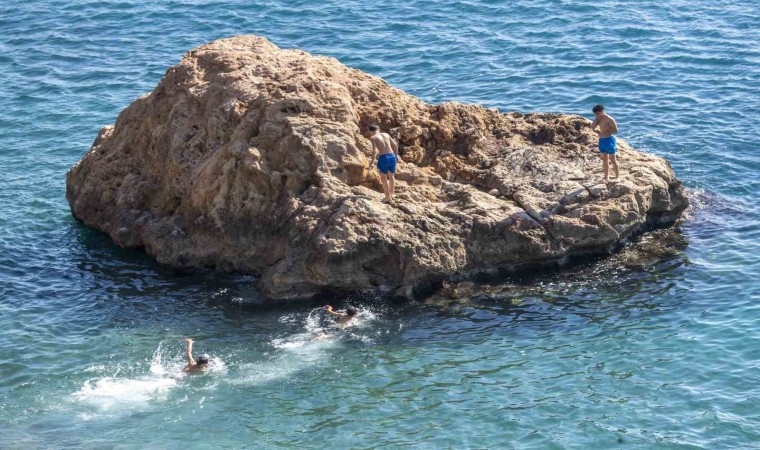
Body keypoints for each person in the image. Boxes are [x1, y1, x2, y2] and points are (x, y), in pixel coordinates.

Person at [367, 124, 400, 203]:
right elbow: (395, 145)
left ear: (370, 132)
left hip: (383, 158)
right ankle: (391, 194)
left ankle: (387, 197)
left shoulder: (373, 138)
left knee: (383, 178)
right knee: (391, 175)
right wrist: (396, 156)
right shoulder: (386, 134)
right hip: (392, 156)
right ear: (378, 129)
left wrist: (372, 162)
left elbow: (375, 151)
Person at [589, 104, 619, 182]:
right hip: (602, 141)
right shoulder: (598, 118)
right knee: (604, 159)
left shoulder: (609, 119)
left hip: (609, 140)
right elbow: (592, 127)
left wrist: (607, 133)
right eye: (595, 114)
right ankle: (606, 177)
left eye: (598, 113)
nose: (597, 115)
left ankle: (617, 177)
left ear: (602, 111)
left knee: (613, 159)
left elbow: (615, 130)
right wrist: (596, 128)